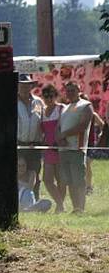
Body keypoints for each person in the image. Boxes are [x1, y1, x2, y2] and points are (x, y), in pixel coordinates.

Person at [56, 81, 93, 214]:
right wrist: (59, 139)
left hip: (77, 148)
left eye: (73, 90)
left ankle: (81, 208)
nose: (70, 93)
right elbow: (58, 127)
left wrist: (64, 134)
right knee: (69, 181)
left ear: (79, 90)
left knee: (78, 181)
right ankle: (75, 208)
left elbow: (83, 125)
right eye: (68, 90)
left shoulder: (86, 106)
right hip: (64, 150)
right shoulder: (65, 107)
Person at [17, 73, 44, 199]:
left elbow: (42, 121)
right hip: (18, 144)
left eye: (27, 85)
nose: (24, 88)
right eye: (22, 85)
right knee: (18, 173)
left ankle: (35, 199)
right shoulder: (12, 102)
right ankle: (18, 200)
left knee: (35, 173)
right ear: (17, 86)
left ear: (31, 86)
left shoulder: (38, 102)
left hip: (35, 145)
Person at [39, 84, 65, 213]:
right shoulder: (42, 111)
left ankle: (60, 207)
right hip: (49, 149)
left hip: (60, 148)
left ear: (56, 96)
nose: (48, 98)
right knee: (47, 180)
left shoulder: (61, 109)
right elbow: (43, 132)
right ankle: (60, 204)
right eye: (46, 96)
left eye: (51, 95)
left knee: (61, 180)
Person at [85, 101, 105, 195]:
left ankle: (89, 187)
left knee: (87, 164)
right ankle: (83, 186)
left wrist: (101, 135)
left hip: (90, 143)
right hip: (79, 143)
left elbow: (102, 125)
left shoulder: (93, 115)